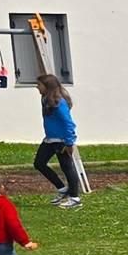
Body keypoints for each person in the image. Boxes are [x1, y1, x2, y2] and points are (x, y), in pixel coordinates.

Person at [33, 76, 88, 207]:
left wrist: (69, 142)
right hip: (50, 139)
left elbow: (68, 123)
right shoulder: (45, 99)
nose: (37, 87)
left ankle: (75, 198)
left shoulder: (59, 102)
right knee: (39, 163)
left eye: (39, 85)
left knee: (67, 167)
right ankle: (62, 189)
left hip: (62, 140)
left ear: (47, 86)